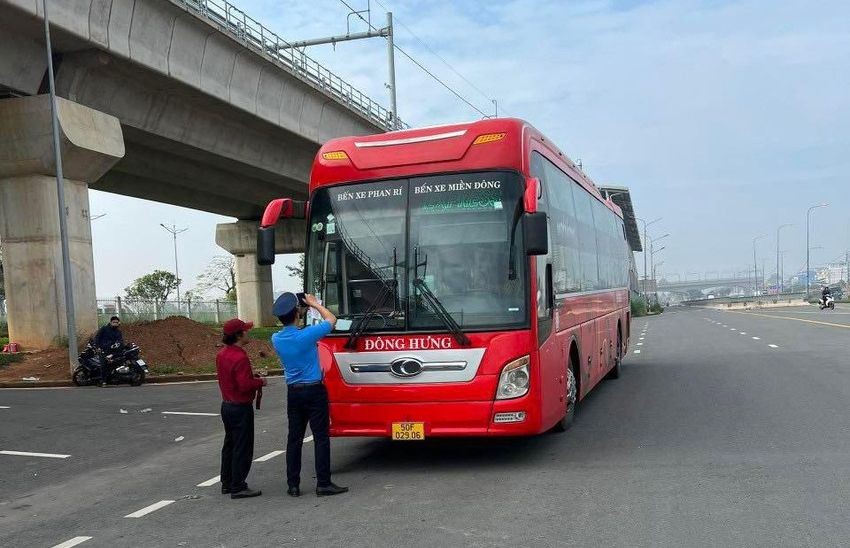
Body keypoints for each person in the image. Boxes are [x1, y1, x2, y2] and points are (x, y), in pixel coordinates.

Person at [271, 292, 348, 498]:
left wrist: (301, 311)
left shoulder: (276, 338)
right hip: (314, 390)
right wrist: (314, 304)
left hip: (293, 392)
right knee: (321, 437)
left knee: (294, 438)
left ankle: (293, 484)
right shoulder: (306, 335)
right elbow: (332, 320)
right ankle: (323, 483)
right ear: (298, 312)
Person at [216, 318, 266, 499]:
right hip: (240, 407)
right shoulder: (240, 356)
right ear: (238, 335)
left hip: (227, 405)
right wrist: (260, 381)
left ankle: (227, 482)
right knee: (242, 447)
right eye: (245, 330)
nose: (248, 332)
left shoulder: (222, 354)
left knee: (229, 444)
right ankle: (238, 485)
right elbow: (245, 385)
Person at [94, 316, 124, 386]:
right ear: (110, 322)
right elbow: (97, 338)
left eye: (117, 322)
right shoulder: (104, 329)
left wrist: (118, 344)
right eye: (114, 322)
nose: (115, 324)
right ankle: (104, 381)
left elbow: (120, 340)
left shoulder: (118, 332)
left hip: (113, 351)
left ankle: (116, 377)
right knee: (104, 365)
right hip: (103, 350)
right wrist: (98, 347)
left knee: (120, 359)